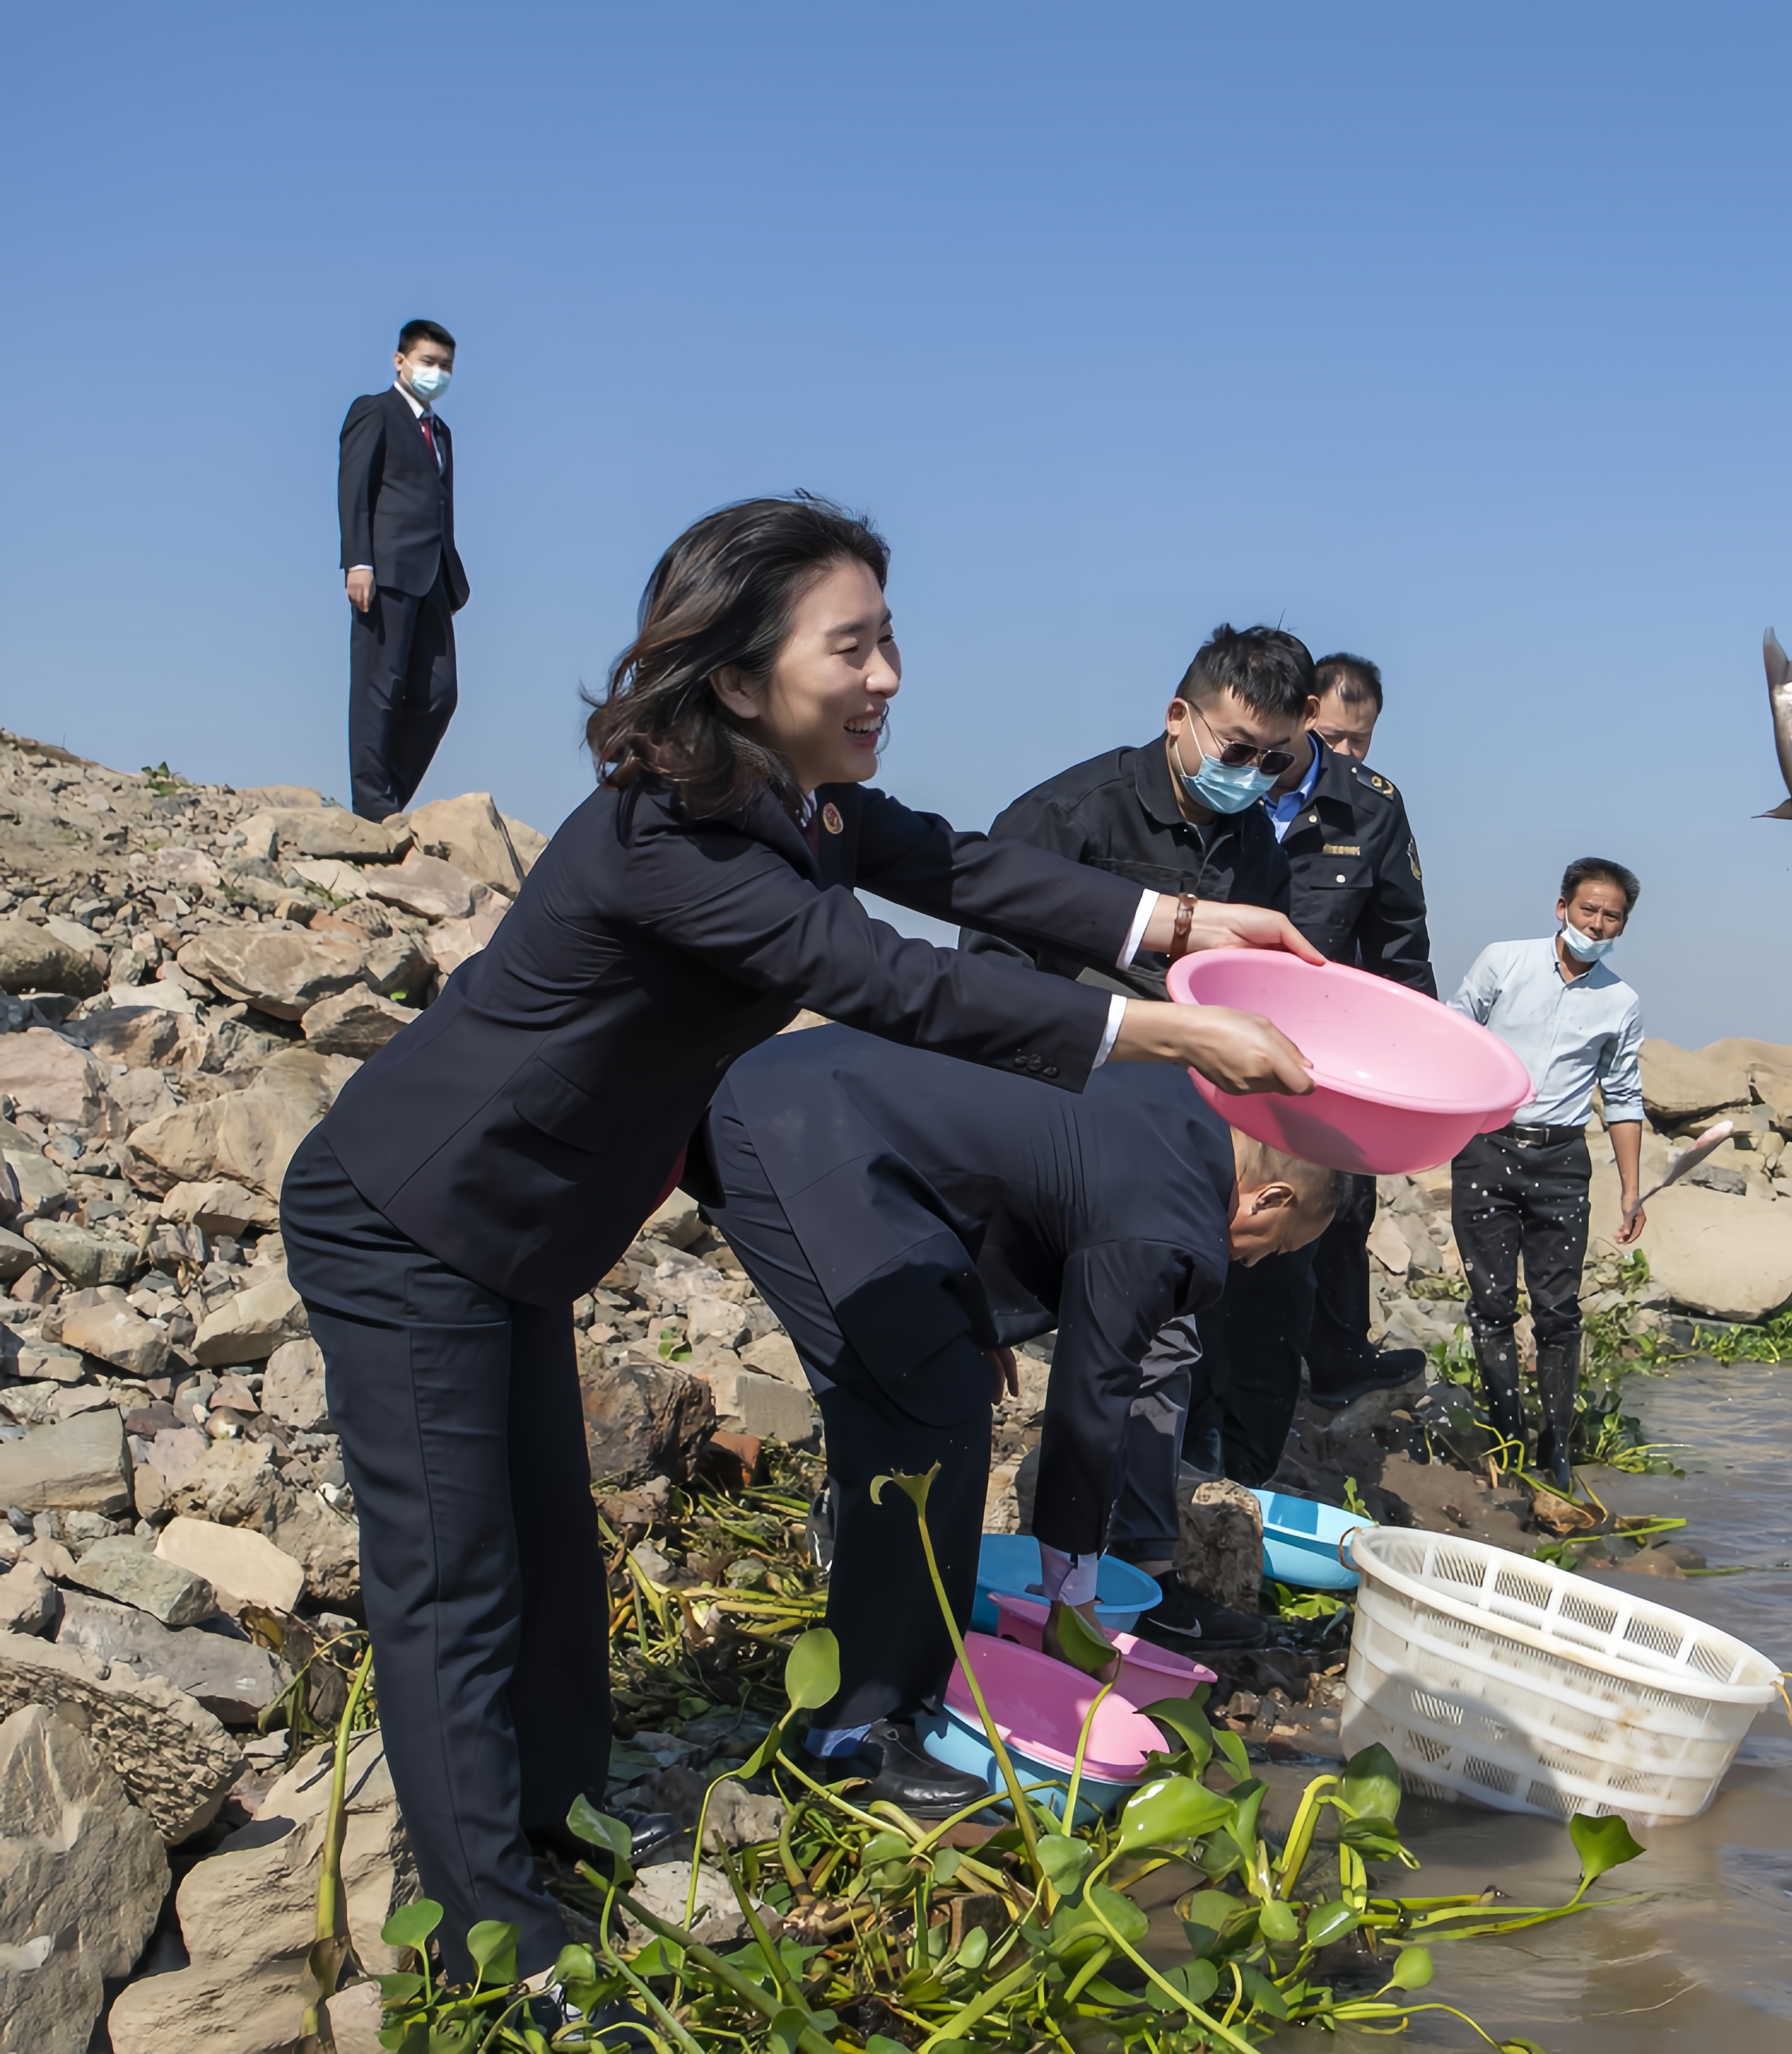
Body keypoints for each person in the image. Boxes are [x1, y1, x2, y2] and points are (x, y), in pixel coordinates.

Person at [280, 496, 1321, 1983]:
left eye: (890, 637)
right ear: (735, 671)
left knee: (554, 1566)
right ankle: (487, 1956)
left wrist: (1182, 915)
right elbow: (886, 975)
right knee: (456, 1577)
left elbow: (963, 871)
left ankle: (565, 1835)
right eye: (854, 644)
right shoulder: (668, 839)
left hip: (514, 1235)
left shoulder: (803, 798)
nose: (889, 673)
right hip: (408, 1220)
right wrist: (1160, 1027)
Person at [699, 1026, 1336, 1810]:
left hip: (829, 1116)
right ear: (1270, 1197)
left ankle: (897, 1695)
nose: (1255, 1263)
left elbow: (999, 1160)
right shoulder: (1176, 1222)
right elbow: (1092, 1394)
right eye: (1275, 1244)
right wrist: (1072, 1592)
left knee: (943, 1405)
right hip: (798, 1134)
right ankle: (849, 1734)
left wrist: (968, 1314)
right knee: (919, 1424)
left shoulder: (1178, 1112)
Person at [965, 626, 1325, 1495]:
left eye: (1275, 762)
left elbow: (1257, 996)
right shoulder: (1067, 816)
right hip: (1053, 1113)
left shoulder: (1255, 852)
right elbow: (985, 983)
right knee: (970, 1349)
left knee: (1162, 1342)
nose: (1252, 774)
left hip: (1175, 1137)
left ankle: (1125, 1564)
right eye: (1237, 750)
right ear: (1179, 719)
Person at [1443, 858, 1650, 1487]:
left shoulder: (1621, 1002)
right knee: (1492, 1302)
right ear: (1560, 908)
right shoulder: (1501, 962)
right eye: (1587, 909)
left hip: (1561, 1161)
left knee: (1558, 1311)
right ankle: (1505, 1434)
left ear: (1622, 926)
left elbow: (1622, 1096)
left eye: (1610, 916)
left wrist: (1633, 1189)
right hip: (1486, 1148)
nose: (1596, 922)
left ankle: (1553, 1448)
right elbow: (1453, 1034)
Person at [1274, 653, 1434, 1410]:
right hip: (1221, 1026)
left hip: (1331, 1043)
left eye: (1358, 742)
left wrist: (1416, 1063)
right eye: (1331, 736)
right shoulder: (1245, 777)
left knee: (1343, 1197)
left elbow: (1400, 941)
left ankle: (1336, 1356)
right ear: (1301, 713)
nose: (1343, 755)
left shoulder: (1375, 806)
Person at [337, 319, 471, 820]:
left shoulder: (442, 432)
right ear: (401, 361)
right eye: (428, 362)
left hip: (434, 575)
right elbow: (355, 489)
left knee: (440, 693)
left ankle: (388, 792)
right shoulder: (375, 412)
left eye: (446, 366)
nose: (437, 373)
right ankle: (372, 804)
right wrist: (358, 560)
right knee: (379, 687)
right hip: (385, 570)